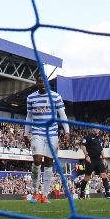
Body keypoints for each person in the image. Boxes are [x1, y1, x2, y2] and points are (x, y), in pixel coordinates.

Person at [24, 75, 70, 204]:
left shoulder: (56, 97)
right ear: (37, 83)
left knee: (49, 163)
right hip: (37, 133)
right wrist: (25, 134)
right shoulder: (31, 98)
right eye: (40, 82)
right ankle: (35, 192)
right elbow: (29, 116)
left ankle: (44, 195)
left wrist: (67, 131)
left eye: (44, 82)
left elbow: (62, 115)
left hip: (52, 134)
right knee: (37, 160)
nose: (42, 84)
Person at [77, 128, 110, 199]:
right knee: (87, 177)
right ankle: (81, 193)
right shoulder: (88, 137)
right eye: (94, 128)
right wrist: (86, 155)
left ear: (99, 130)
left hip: (98, 160)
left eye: (97, 128)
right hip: (90, 160)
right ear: (92, 129)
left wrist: (104, 158)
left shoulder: (99, 138)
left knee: (104, 175)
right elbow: (83, 146)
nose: (96, 130)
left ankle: (108, 193)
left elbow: (100, 149)